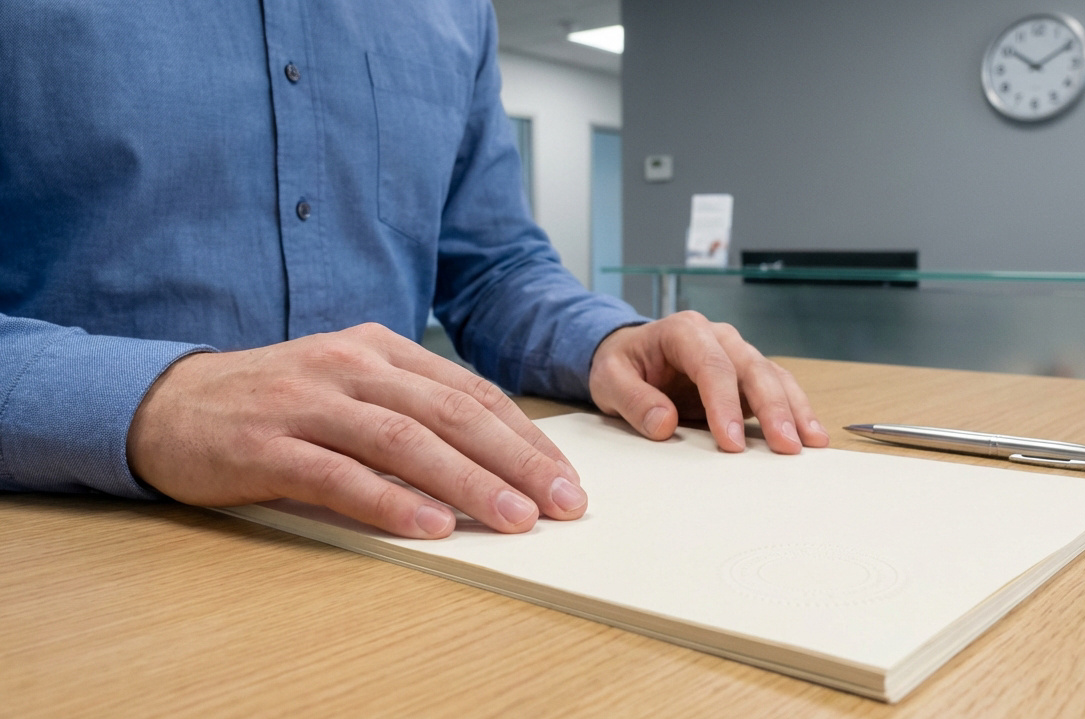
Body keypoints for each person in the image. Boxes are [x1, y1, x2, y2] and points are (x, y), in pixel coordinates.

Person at [0, 0, 829, 539]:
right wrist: (156, 404)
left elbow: (494, 267)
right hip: (89, 550)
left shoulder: (454, 12)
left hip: (401, 541)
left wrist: (607, 341)